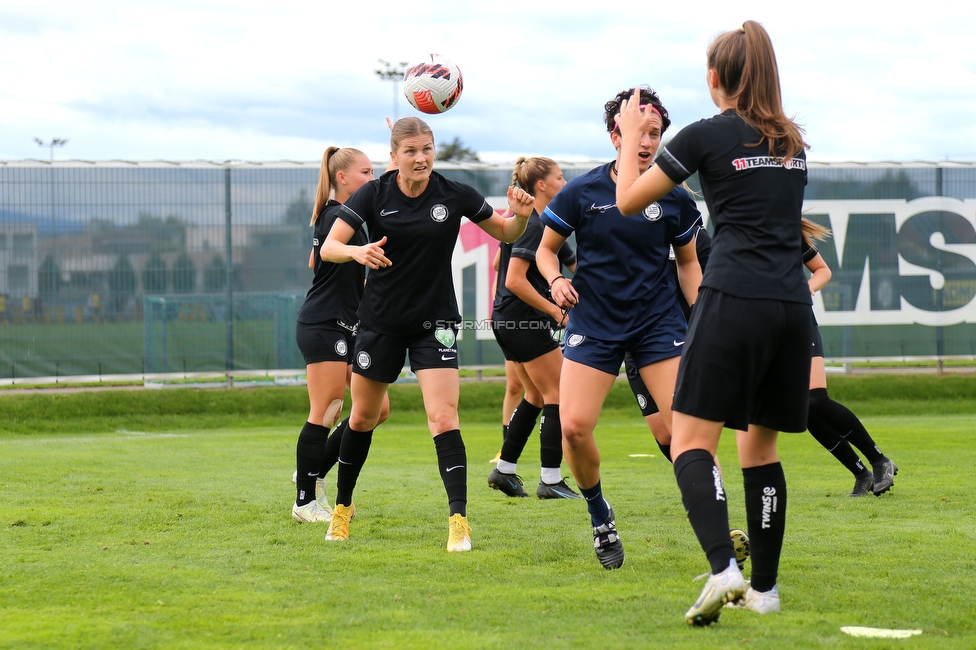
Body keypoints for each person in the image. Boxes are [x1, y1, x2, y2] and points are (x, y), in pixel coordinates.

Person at [615, 21, 812, 624]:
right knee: (761, 450)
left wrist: (628, 135)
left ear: (714, 78)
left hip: (732, 300)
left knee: (690, 443)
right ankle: (766, 591)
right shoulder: (791, 141)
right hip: (791, 307)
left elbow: (628, 200)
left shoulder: (704, 136)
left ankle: (724, 567)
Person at [321, 116, 535, 552]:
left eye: (427, 149)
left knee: (443, 418)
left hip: (434, 323)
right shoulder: (373, 194)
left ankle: (459, 521)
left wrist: (523, 216)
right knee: (362, 418)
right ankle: (342, 509)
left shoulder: (453, 193)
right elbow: (329, 247)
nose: (421, 158)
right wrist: (358, 250)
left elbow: (506, 231)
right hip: (380, 323)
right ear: (395, 155)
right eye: (411, 151)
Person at [539, 86, 702, 569]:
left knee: (684, 435)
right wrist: (555, 280)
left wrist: (706, 318)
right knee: (573, 428)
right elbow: (547, 249)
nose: (647, 141)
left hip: (657, 325)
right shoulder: (582, 192)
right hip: (595, 324)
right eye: (637, 132)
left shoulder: (674, 197)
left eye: (655, 133)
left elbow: (689, 266)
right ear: (615, 136)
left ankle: (713, 524)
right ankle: (599, 514)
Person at [292, 146, 388, 524]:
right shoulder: (334, 214)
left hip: (345, 326)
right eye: (365, 172)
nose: (373, 178)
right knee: (328, 409)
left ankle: (312, 470)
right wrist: (355, 253)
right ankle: (304, 500)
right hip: (323, 324)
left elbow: (314, 260)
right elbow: (325, 255)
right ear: (342, 178)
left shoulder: (346, 219)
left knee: (377, 410)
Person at [488, 157, 580, 499]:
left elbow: (500, 261)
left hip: (507, 320)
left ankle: (504, 470)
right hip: (521, 320)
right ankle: (551, 480)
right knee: (558, 393)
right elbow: (512, 278)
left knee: (536, 395)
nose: (565, 181)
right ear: (541, 185)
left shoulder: (536, 223)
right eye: (559, 177)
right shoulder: (536, 225)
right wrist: (556, 311)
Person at [801, 221, 898, 497]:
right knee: (805, 412)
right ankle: (862, 473)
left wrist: (807, 288)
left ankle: (880, 461)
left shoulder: (784, 230)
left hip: (797, 318)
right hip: (768, 329)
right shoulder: (740, 236)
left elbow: (822, 270)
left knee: (816, 398)